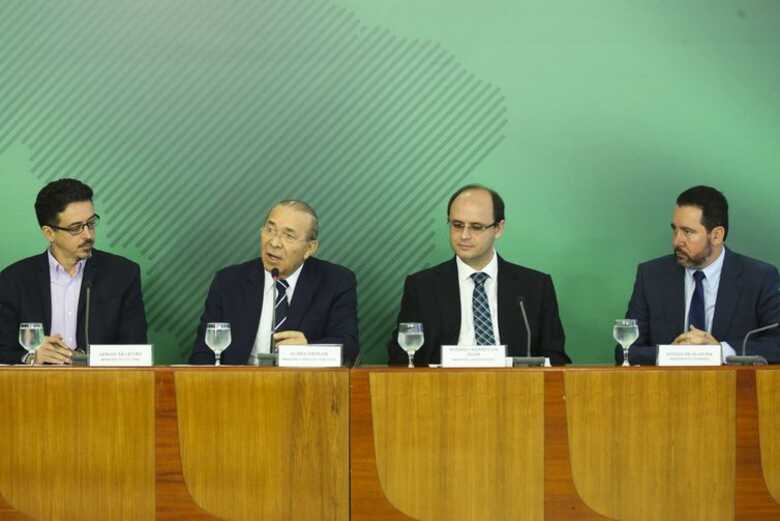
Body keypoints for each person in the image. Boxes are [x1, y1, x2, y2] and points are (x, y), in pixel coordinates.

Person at [387, 184, 570, 366]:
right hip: (443, 389)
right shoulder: (422, 286)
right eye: (457, 225)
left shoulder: (535, 287)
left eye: (476, 227)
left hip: (514, 389)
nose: (464, 235)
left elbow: (555, 357)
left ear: (498, 228)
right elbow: (402, 355)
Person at [618, 185, 780, 365]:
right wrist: (670, 354)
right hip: (666, 389)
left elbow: (776, 344)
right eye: (675, 229)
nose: (676, 241)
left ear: (717, 236)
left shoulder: (759, 278)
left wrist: (720, 351)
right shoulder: (651, 276)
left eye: (688, 232)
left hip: (732, 389)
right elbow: (625, 351)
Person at [190, 200, 358, 365]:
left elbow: (348, 346)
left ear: (310, 248)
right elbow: (202, 353)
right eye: (270, 230)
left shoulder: (336, 282)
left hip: (302, 387)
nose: (274, 242)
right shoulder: (228, 282)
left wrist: (309, 349)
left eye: (289, 236)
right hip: (239, 387)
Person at [0, 178, 148, 364]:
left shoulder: (123, 274)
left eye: (91, 223)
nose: (88, 235)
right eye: (76, 228)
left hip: (102, 386)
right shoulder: (14, 280)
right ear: (49, 233)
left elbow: (135, 350)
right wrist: (30, 357)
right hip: (36, 387)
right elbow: (3, 349)